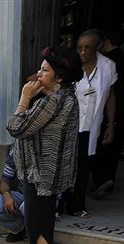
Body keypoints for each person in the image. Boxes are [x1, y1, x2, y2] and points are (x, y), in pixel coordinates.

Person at [7, 46, 81, 244]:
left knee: (38, 224)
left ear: (59, 76)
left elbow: (16, 127)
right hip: (45, 173)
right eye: (40, 68)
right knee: (42, 222)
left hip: (41, 174)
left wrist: (24, 99)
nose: (39, 74)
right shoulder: (63, 98)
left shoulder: (54, 102)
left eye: (45, 70)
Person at [65, 29, 118, 218]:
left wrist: (111, 124)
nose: (83, 52)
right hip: (69, 125)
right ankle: (59, 206)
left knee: (83, 167)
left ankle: (77, 206)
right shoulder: (70, 64)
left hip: (91, 125)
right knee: (66, 165)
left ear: (97, 48)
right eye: (79, 48)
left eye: (88, 48)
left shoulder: (108, 66)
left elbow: (110, 95)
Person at [92, 29, 124, 198]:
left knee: (97, 146)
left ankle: (103, 179)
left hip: (107, 109)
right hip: (116, 110)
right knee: (112, 148)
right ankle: (106, 179)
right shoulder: (119, 58)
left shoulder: (108, 62)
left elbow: (109, 91)